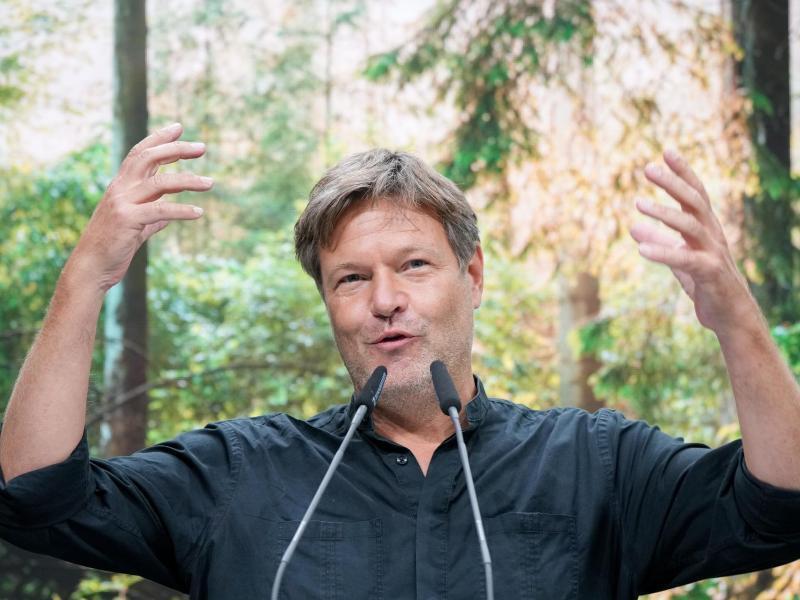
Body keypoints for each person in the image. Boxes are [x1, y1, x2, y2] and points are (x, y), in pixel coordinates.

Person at [0, 123, 799, 600]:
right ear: (329, 302)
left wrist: (733, 314)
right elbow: (33, 496)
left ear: (472, 277)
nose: (385, 299)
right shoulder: (236, 474)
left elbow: (781, 505)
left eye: (414, 266)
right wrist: (86, 280)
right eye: (352, 278)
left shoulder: (600, 465)